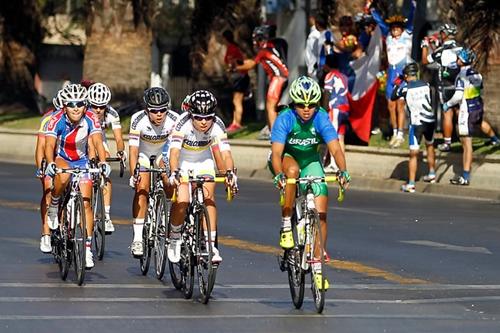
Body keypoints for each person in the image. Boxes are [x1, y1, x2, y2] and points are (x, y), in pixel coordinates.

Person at [270, 76, 350, 290]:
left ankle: (317, 264)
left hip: (311, 161)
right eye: (301, 105)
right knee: (293, 173)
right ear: (293, 104)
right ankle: (287, 225)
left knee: (321, 213)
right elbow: (276, 153)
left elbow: (335, 148)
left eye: (311, 105)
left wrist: (343, 171)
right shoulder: (285, 118)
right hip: (287, 159)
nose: (306, 110)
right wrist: (279, 174)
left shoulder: (321, 118)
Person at [44, 84, 111, 269]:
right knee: (63, 178)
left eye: (80, 103)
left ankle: (87, 248)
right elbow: (49, 145)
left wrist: (103, 162)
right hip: (62, 158)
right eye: (71, 103)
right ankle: (55, 204)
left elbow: (97, 142)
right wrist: (50, 163)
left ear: (85, 105)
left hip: (81, 161)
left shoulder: (91, 117)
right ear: (64, 105)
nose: (76, 107)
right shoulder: (55, 119)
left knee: (87, 203)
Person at [167, 90, 237, 264]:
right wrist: (174, 172)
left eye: (208, 117)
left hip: (203, 159)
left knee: (209, 198)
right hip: (182, 160)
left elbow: (226, 154)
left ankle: (211, 246)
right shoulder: (182, 123)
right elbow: (174, 153)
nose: (204, 122)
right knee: (182, 199)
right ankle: (175, 236)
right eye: (198, 118)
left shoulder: (218, 125)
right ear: (191, 115)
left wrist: (230, 173)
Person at [128, 87, 178, 257]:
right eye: (154, 111)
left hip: (162, 153)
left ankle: (167, 212)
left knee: (169, 179)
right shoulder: (138, 120)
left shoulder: (174, 120)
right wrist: (133, 173)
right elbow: (133, 151)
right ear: (146, 110)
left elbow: (175, 150)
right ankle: (137, 239)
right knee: (142, 189)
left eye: (163, 110)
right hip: (143, 154)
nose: (159, 114)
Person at [371, 0, 416, 148]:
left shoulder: (407, 34)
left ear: (402, 29)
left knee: (400, 104)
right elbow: (381, 23)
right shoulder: (389, 37)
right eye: (393, 28)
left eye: (397, 28)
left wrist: (413, 5)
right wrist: (372, 10)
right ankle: (395, 131)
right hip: (391, 72)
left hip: (402, 73)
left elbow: (411, 18)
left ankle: (401, 134)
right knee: (391, 104)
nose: (395, 30)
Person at [236, 25, 289, 140]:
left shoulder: (264, 50)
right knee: (273, 106)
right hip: (282, 77)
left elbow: (250, 64)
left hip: (278, 78)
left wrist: (235, 68)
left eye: (257, 39)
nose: (255, 42)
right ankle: (274, 130)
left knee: (270, 106)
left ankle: (276, 134)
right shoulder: (275, 45)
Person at [391, 63, 436, 193]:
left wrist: (399, 82)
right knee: (430, 145)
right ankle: (432, 173)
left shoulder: (405, 88)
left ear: (406, 76)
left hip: (416, 123)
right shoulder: (426, 85)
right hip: (430, 120)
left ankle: (411, 184)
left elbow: (393, 96)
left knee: (413, 154)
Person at [87, 82, 126, 234]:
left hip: (100, 140)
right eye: (94, 106)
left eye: (101, 106)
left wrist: (121, 151)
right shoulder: (84, 112)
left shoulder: (112, 113)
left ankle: (107, 217)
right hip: (84, 138)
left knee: (105, 173)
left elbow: (118, 138)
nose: (98, 109)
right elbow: (88, 140)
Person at [443, 49, 483, 185]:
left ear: (463, 60)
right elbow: (479, 89)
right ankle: (465, 174)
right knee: (466, 141)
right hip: (477, 107)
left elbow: (458, 96)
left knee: (466, 144)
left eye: (459, 58)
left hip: (466, 109)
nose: (457, 59)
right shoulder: (477, 74)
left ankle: (465, 176)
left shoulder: (461, 76)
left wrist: (447, 104)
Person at [421, 23, 462, 152]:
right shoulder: (461, 49)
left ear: (445, 34)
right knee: (459, 112)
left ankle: (447, 143)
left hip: (445, 86)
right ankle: (463, 139)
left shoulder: (441, 51)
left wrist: (425, 46)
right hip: (459, 84)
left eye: (441, 33)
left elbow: (425, 61)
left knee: (447, 114)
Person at [36, 90, 64, 253]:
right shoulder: (48, 119)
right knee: (48, 191)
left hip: (68, 157)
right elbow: (40, 147)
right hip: (50, 157)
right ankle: (46, 233)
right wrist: (41, 167)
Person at [323, 54, 351, 172]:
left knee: (332, 136)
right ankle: (341, 165)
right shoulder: (344, 76)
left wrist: (323, 109)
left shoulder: (330, 75)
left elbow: (327, 94)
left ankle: (334, 165)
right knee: (340, 137)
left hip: (335, 108)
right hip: (345, 108)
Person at [222, 30, 250, 134]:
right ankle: (235, 122)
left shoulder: (232, 48)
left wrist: (231, 68)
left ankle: (237, 123)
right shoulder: (234, 47)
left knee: (237, 101)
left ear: (225, 38)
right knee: (236, 100)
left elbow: (235, 62)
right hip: (240, 76)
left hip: (240, 76)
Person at [305, 13, 321, 78]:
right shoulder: (316, 33)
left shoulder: (314, 35)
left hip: (315, 71)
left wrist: (310, 69)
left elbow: (314, 54)